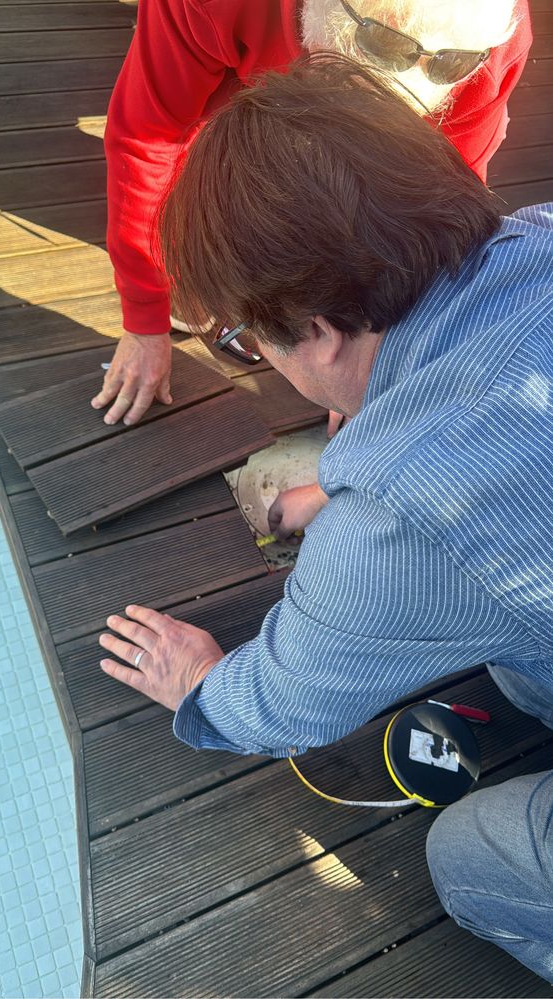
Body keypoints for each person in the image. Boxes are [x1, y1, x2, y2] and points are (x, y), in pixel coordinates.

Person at [99, 58, 553, 976]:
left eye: (239, 339)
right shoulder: (542, 231)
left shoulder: (397, 529)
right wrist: (345, 496)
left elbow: (283, 704)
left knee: (478, 855)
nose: (249, 355)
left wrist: (202, 683)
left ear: (315, 328)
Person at [93, 0, 532, 428]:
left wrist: (364, 368)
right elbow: (147, 139)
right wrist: (144, 319)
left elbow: (446, 202)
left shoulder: (489, 34)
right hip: (236, 38)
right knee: (209, 167)